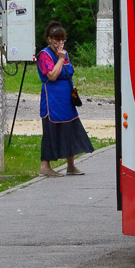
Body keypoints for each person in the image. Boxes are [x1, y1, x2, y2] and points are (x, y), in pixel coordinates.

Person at [37, 21, 94, 177]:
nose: (60, 43)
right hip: (52, 99)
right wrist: (61, 59)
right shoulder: (44, 55)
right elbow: (53, 75)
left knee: (70, 129)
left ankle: (71, 165)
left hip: (66, 99)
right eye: (57, 40)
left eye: (62, 40)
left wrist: (63, 58)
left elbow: (70, 71)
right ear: (49, 39)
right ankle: (45, 166)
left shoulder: (65, 53)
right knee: (51, 131)